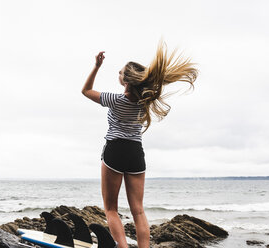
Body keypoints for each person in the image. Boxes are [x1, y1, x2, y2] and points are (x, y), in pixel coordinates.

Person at [81, 40, 198, 248]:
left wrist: (97, 66)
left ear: (126, 81)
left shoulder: (114, 100)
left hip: (115, 150)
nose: (118, 74)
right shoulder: (147, 100)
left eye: (120, 72)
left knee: (111, 209)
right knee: (138, 210)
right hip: (136, 153)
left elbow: (86, 90)